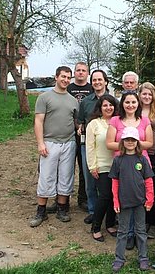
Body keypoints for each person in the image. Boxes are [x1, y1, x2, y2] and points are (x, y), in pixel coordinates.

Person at [29, 66, 78, 227]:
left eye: (68, 77)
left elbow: (76, 122)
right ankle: (41, 210)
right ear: (56, 77)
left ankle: (62, 208)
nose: (65, 80)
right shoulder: (45, 97)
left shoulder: (73, 100)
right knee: (46, 176)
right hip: (50, 143)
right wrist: (40, 142)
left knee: (66, 176)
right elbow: (38, 121)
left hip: (68, 142)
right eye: (63, 76)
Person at [106, 90, 153, 250]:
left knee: (139, 197)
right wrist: (127, 146)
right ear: (122, 104)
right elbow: (109, 143)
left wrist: (133, 144)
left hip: (141, 162)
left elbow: (150, 143)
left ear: (138, 103)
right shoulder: (115, 120)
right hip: (122, 164)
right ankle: (128, 234)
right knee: (125, 196)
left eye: (133, 102)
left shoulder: (144, 120)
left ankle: (138, 233)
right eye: (127, 102)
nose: (130, 105)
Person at [109, 127, 154, 272]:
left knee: (140, 231)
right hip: (124, 202)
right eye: (127, 140)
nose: (130, 142)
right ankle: (119, 258)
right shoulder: (118, 160)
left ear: (137, 142)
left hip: (140, 202)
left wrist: (149, 199)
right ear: (123, 141)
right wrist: (116, 201)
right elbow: (115, 182)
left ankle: (143, 258)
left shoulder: (142, 159)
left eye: (133, 140)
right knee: (122, 231)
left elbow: (148, 181)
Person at [77, 69, 109, 225]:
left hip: (107, 145)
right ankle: (93, 210)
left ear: (105, 81)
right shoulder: (86, 101)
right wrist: (79, 127)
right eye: (94, 80)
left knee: (108, 181)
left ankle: (109, 212)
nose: (97, 82)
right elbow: (80, 121)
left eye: (100, 79)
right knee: (90, 179)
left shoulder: (112, 100)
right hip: (88, 145)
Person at [85, 94, 118, 242]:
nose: (108, 108)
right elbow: (90, 146)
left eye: (111, 105)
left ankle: (110, 224)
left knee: (114, 196)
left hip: (118, 165)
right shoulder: (94, 124)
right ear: (100, 107)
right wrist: (92, 166)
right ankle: (96, 227)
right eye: (105, 105)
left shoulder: (118, 122)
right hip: (102, 166)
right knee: (104, 196)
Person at [138, 82, 155, 239]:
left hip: (154, 156)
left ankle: (153, 222)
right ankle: (141, 222)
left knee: (152, 189)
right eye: (144, 94)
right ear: (140, 94)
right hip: (136, 155)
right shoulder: (134, 110)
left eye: (150, 94)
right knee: (139, 189)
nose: (147, 96)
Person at [67, 61, 93, 211]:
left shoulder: (91, 88)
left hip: (85, 136)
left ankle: (83, 198)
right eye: (78, 70)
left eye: (83, 70)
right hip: (68, 134)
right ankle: (61, 198)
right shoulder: (68, 88)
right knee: (66, 168)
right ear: (74, 73)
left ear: (87, 73)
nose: (81, 73)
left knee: (85, 169)